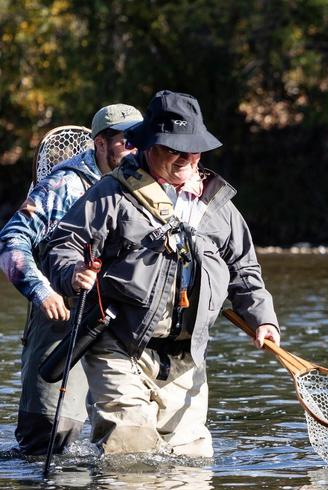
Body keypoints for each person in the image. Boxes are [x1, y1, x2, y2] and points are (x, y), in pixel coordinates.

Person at [46, 90, 279, 458]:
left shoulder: (218, 205)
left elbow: (244, 270)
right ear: (150, 147)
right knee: (129, 453)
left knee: (190, 466)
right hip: (118, 344)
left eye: (194, 150)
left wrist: (263, 319)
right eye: (176, 150)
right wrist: (72, 273)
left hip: (186, 356)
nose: (188, 158)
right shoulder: (112, 194)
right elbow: (61, 243)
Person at [0, 103, 144, 455]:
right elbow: (11, 239)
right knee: (48, 436)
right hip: (62, 318)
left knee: (125, 441)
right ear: (99, 142)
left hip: (116, 323)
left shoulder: (143, 182)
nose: (135, 148)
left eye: (140, 140)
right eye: (127, 141)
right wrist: (41, 290)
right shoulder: (63, 184)